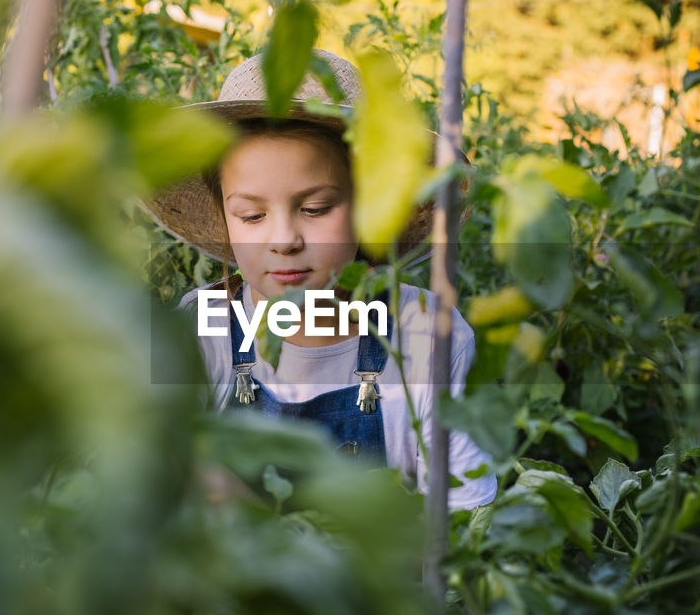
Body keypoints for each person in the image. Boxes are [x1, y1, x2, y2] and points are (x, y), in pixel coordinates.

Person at [145, 50, 496, 510]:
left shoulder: (427, 334)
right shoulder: (202, 328)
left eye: (315, 209)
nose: (284, 240)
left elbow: (462, 519)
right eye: (252, 215)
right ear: (225, 218)